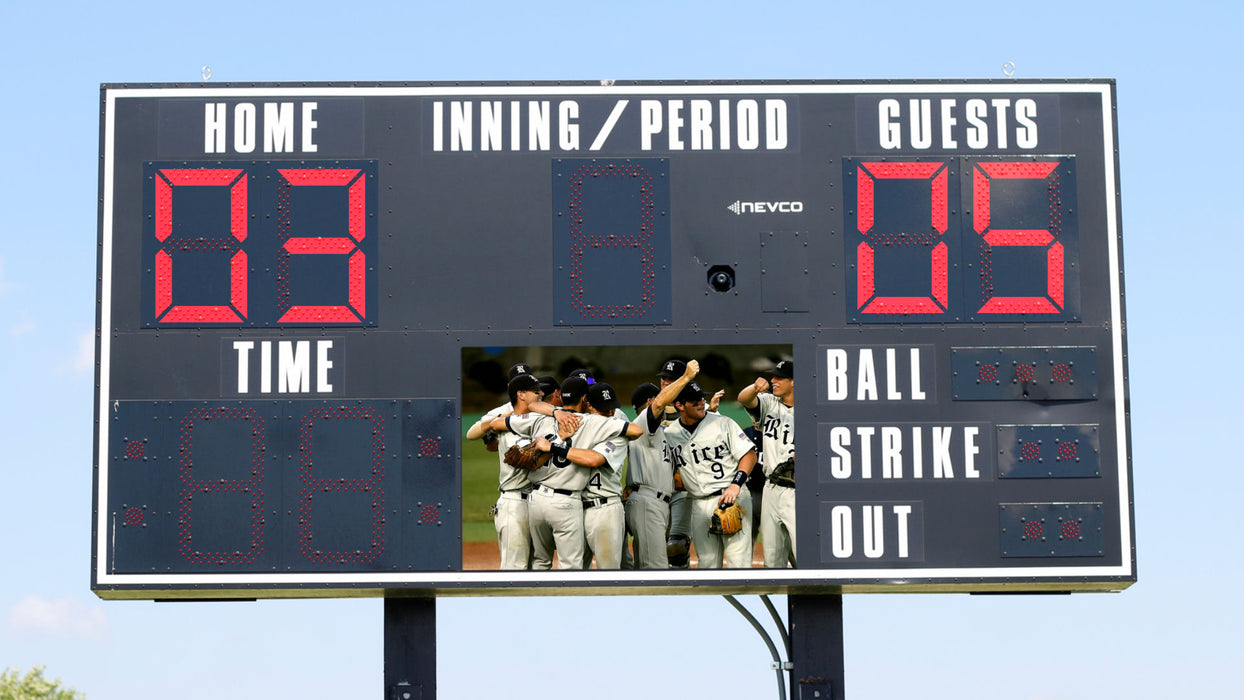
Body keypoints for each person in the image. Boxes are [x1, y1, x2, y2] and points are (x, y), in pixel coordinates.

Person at [494, 376, 644, 570]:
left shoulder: (542, 418)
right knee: (571, 567)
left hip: (536, 501)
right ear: (584, 400)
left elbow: (496, 424)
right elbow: (636, 430)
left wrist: (556, 412)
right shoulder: (593, 422)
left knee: (540, 562)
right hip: (566, 503)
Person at [663, 380, 758, 568]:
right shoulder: (670, 434)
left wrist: (736, 485)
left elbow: (749, 455)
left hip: (730, 497)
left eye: (701, 398)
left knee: (738, 563)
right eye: (694, 401)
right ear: (679, 405)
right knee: (707, 564)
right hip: (698, 504)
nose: (700, 403)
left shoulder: (722, 423)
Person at [625, 360, 700, 569]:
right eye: (663, 381)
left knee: (655, 563)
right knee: (654, 568)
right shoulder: (645, 422)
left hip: (660, 499)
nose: (664, 384)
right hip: (648, 499)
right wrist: (686, 377)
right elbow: (658, 405)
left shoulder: (661, 429)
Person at [463, 363, 537, 569]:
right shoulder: (501, 411)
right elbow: (472, 435)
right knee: (515, 566)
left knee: (540, 564)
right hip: (515, 496)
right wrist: (499, 422)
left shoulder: (542, 409)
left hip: (543, 499)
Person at [738, 360, 796, 568]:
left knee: (803, 555)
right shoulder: (770, 403)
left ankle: (812, 599)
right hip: (770, 487)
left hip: (797, 490)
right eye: (773, 376)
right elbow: (743, 398)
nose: (773, 380)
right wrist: (754, 388)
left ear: (794, 382)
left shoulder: (810, 411)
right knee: (773, 559)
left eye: (779, 377)